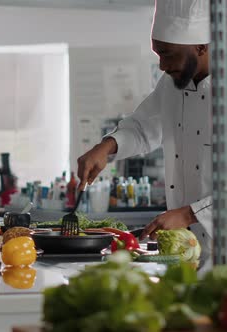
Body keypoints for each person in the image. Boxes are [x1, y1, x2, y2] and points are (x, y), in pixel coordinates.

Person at [77, 0, 212, 253]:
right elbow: (143, 127)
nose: (162, 65)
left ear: (201, 46)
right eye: (158, 54)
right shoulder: (171, 85)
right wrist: (106, 147)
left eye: (168, 54)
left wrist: (189, 214)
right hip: (188, 250)